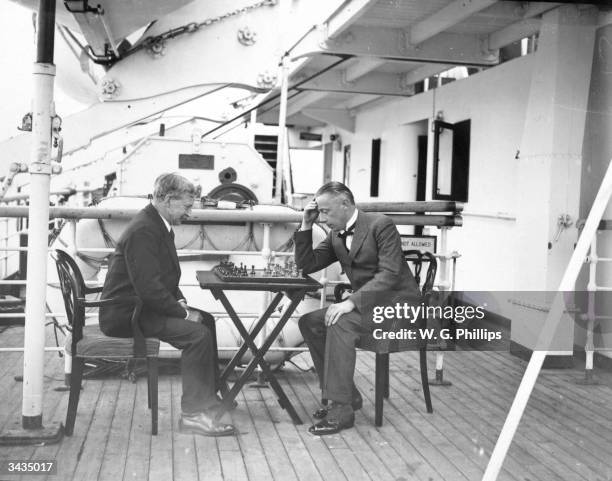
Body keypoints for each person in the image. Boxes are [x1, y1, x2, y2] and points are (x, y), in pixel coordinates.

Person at [99, 173, 235, 437]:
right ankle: (194, 415)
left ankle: (209, 397)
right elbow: (148, 288)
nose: (190, 212)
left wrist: (181, 302)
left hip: (139, 307)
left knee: (205, 319)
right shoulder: (144, 230)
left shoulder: (156, 224)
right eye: (186, 206)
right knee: (197, 336)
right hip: (127, 314)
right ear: (168, 199)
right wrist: (183, 312)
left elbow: (161, 277)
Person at [295, 181, 419, 435]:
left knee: (339, 320)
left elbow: (391, 274)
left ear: (345, 204)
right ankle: (348, 395)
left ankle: (341, 409)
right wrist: (306, 224)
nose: (322, 217)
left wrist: (351, 302)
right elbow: (307, 264)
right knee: (310, 322)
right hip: (368, 306)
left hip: (397, 307)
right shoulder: (335, 235)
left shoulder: (380, 224)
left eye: (326, 211)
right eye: (320, 212)